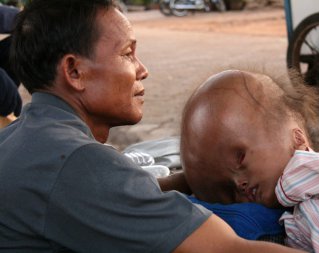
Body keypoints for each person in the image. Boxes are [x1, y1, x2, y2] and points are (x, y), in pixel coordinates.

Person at [0, 0, 302, 252]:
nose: (142, 70)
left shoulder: (24, 137)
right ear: (74, 71)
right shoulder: (77, 163)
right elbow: (228, 249)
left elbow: (123, 193)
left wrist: (197, 177)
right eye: (127, 54)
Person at [180, 69, 319, 252]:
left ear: (297, 139)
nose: (238, 183)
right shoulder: (287, 221)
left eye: (240, 158)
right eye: (227, 191)